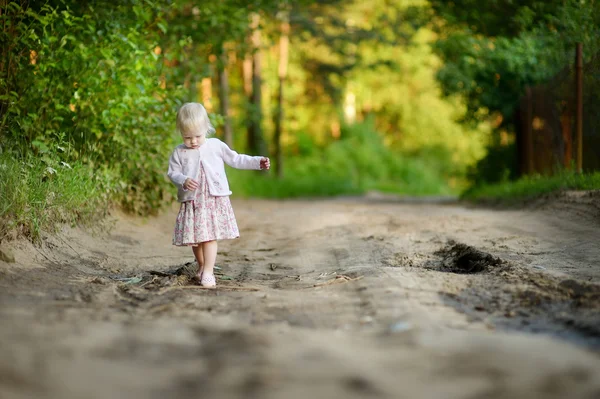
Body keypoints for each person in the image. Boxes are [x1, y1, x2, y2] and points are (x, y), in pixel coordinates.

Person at [167, 102, 270, 288]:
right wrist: (182, 179)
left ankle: (208, 271)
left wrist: (257, 162)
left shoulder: (215, 146)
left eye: (198, 136)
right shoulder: (179, 152)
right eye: (187, 137)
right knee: (196, 238)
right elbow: (172, 173)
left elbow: (236, 159)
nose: (193, 141)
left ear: (206, 128)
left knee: (209, 236)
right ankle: (201, 266)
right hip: (193, 201)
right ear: (181, 133)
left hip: (213, 199)